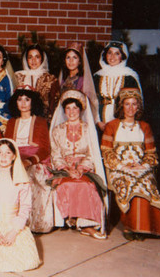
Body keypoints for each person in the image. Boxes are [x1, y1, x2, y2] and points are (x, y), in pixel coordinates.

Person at [101, 88, 160, 240]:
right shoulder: (112, 126)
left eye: (134, 104)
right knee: (130, 183)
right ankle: (130, 227)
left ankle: (146, 227)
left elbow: (151, 153)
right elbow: (107, 151)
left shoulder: (145, 126)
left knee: (145, 182)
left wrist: (142, 166)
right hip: (118, 168)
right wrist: (122, 166)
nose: (130, 108)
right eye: (127, 104)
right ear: (121, 106)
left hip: (140, 167)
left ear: (138, 106)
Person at [0, 139, 41, 272]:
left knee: (28, 261)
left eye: (8, 153)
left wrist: (14, 231)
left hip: (12, 224)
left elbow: (25, 207)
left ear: (14, 156)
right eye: (0, 153)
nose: (4, 156)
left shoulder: (22, 179)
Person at [49, 89, 107, 239]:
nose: (72, 111)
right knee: (65, 184)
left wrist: (81, 168)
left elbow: (91, 153)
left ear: (80, 110)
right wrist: (67, 169)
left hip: (84, 168)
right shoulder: (57, 130)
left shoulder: (88, 129)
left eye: (75, 107)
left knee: (86, 185)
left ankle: (86, 224)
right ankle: (71, 218)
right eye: (68, 108)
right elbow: (55, 153)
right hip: (64, 168)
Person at [4, 88, 54, 233]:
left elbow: (44, 149)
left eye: (27, 99)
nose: (23, 103)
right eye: (20, 100)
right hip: (14, 159)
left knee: (30, 174)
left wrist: (30, 161)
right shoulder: (11, 122)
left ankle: (33, 223)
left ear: (33, 102)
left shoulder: (41, 122)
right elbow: (7, 146)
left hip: (36, 160)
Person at [94, 41, 142, 131]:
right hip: (101, 123)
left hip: (122, 123)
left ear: (122, 57)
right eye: (110, 53)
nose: (112, 57)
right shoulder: (97, 76)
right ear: (105, 55)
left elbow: (136, 103)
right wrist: (98, 121)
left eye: (117, 54)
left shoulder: (129, 77)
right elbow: (92, 101)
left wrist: (123, 123)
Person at [14, 44, 60, 122]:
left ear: (42, 59)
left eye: (37, 57)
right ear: (26, 60)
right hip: (22, 119)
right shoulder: (18, 77)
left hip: (43, 120)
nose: (33, 60)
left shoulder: (50, 79)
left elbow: (54, 103)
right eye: (30, 57)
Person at [59, 42, 100, 124]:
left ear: (80, 61)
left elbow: (90, 103)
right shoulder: (63, 79)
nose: (71, 61)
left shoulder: (83, 80)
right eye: (68, 57)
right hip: (63, 116)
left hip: (80, 118)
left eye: (74, 57)